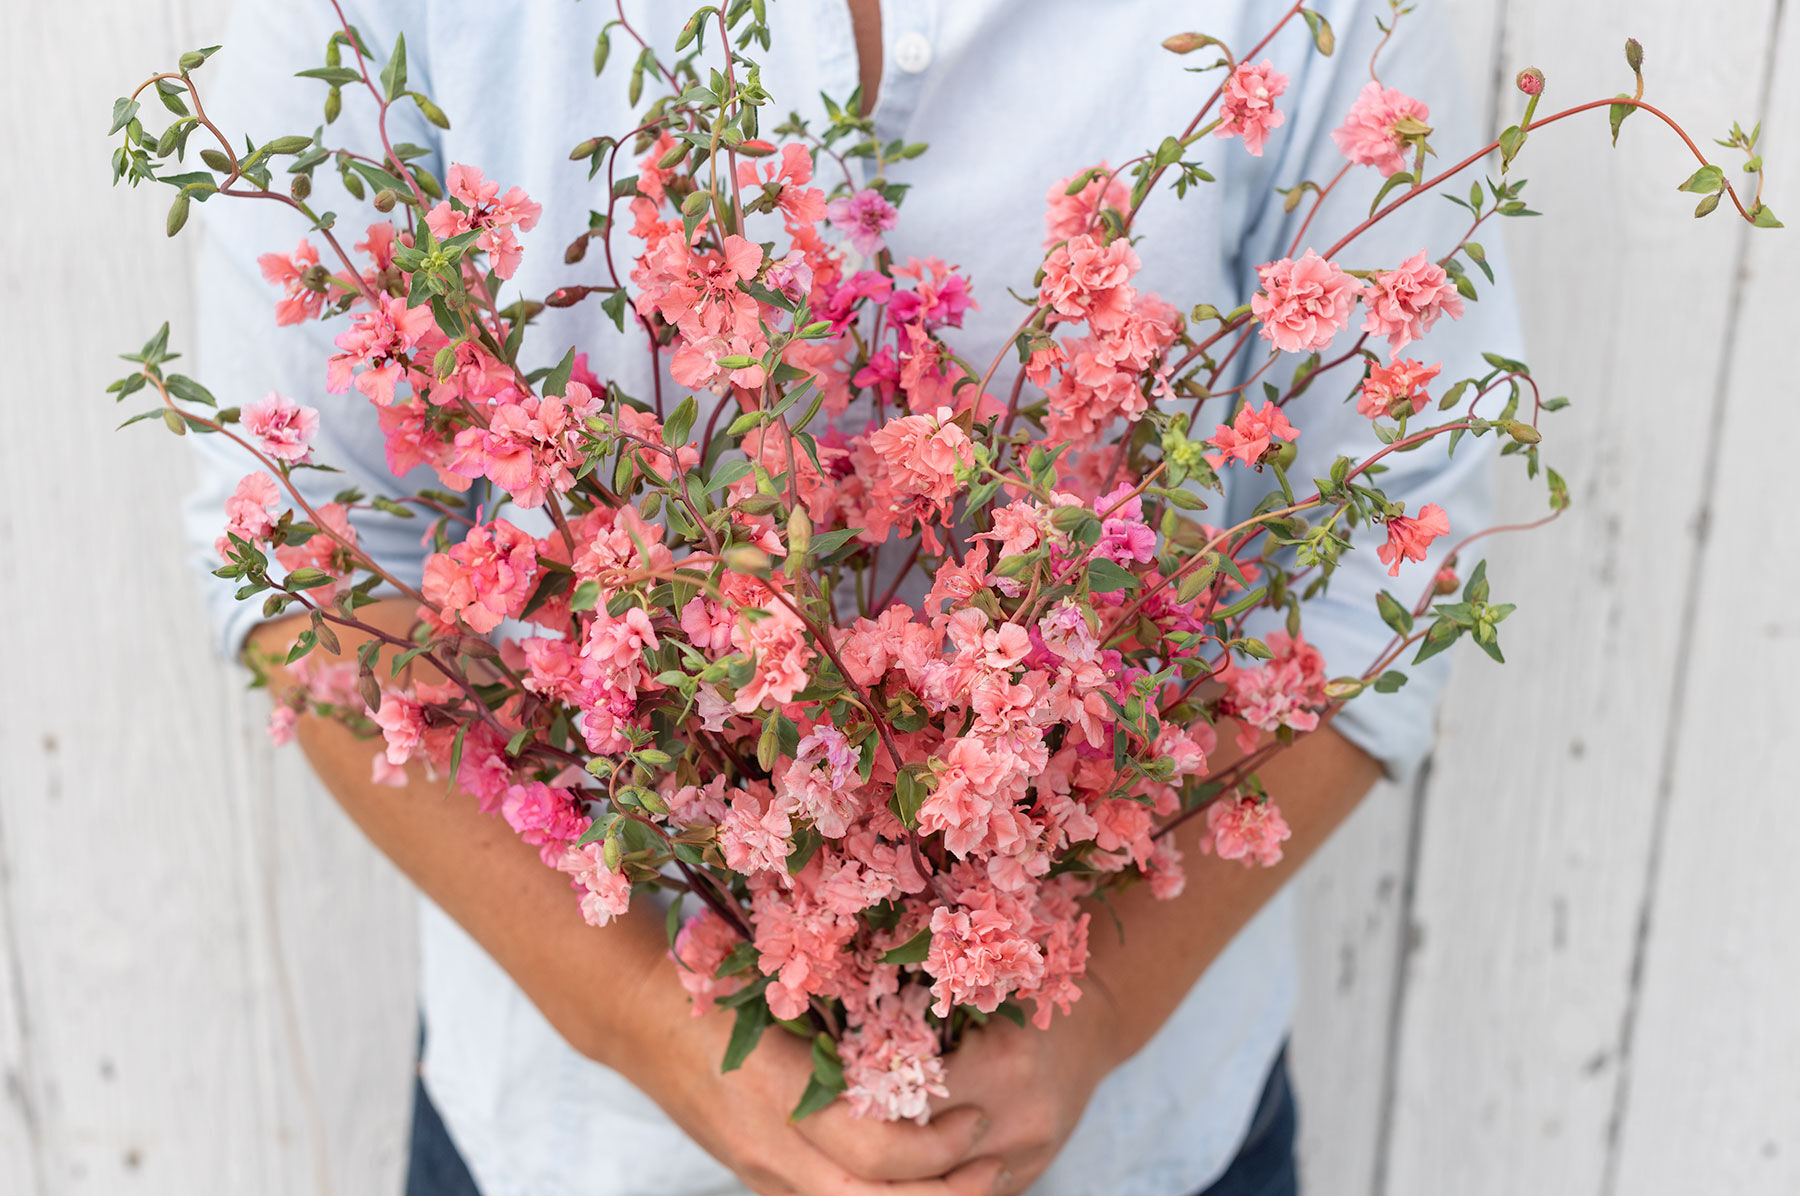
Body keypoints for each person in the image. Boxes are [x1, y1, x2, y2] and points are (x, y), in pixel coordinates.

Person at [184, 1, 1519, 1192]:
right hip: (583, 1137)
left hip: (1128, 1135)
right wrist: (655, 1017)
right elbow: (313, 564)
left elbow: (1400, 549)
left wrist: (1100, 1005)